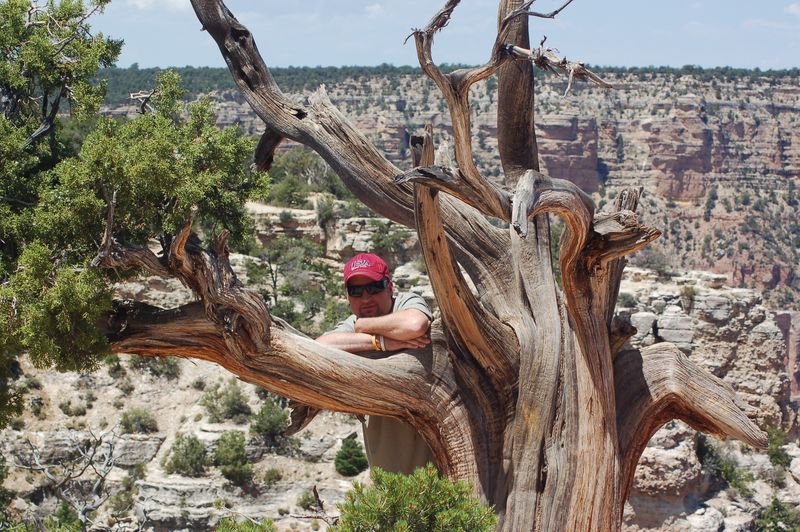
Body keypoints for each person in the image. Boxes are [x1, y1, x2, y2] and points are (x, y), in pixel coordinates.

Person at [316, 252, 435, 474]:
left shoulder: (405, 303)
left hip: (438, 469)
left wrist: (364, 328)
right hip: (388, 476)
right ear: (347, 296)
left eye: (374, 287)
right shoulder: (354, 324)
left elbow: (415, 325)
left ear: (390, 287)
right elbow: (320, 347)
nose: (366, 298)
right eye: (356, 291)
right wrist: (381, 342)